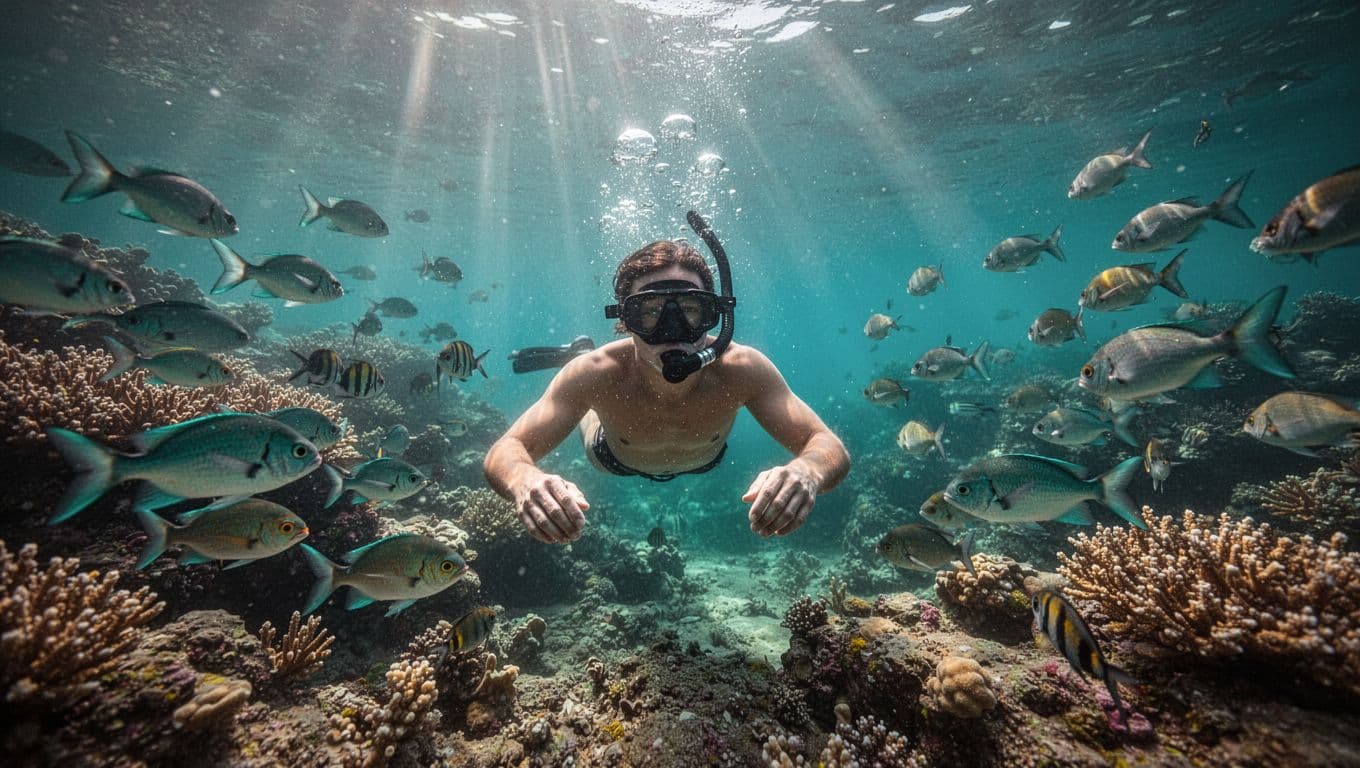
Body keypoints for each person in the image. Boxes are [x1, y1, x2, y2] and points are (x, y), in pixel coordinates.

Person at [484, 232, 850, 545]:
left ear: (715, 316)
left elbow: (826, 444)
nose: (671, 328)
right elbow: (507, 449)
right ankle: (576, 353)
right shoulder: (596, 374)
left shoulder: (742, 369)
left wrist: (807, 472)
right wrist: (524, 479)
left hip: (705, 461)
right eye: (649, 311)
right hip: (614, 459)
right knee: (589, 396)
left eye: (691, 310)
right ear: (626, 322)